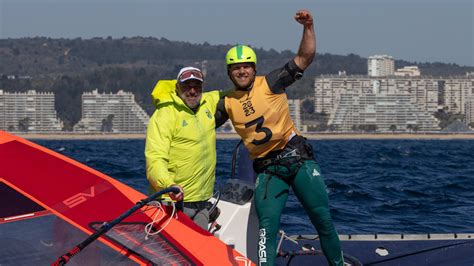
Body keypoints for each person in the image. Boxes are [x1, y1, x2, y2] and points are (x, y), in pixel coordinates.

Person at [214, 10, 344, 265]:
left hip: (298, 161)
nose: (242, 71)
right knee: (266, 231)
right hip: (269, 171)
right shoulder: (226, 101)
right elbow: (198, 120)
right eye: (236, 68)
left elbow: (305, 57)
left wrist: (308, 26)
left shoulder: (271, 82)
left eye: (246, 66)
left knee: (323, 221)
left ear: (254, 68)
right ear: (230, 72)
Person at [145, 66, 221, 230]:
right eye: (187, 86)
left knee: (199, 250)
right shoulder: (164, 114)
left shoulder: (208, 103)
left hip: (201, 204)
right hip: (173, 203)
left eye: (197, 86)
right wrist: (168, 185)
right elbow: (155, 159)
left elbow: (234, 92)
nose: (192, 91)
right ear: (177, 87)